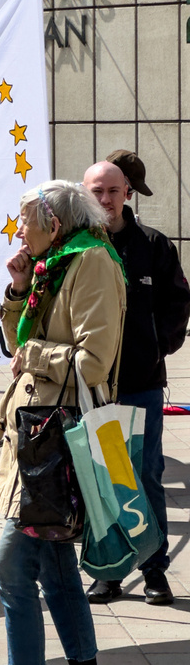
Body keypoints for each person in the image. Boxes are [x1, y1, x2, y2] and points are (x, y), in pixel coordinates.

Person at [0, 180, 125, 665]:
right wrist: (18, 288)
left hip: (55, 449)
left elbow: (92, 362)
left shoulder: (90, 263)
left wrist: (32, 354)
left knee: (14, 568)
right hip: (38, 440)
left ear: (54, 223)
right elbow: (25, 335)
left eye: (24, 221)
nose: (18, 231)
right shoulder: (53, 265)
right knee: (59, 574)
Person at [81, 153, 190, 605]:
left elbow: (178, 303)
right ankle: (108, 570)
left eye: (112, 190)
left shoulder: (155, 245)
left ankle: (155, 570)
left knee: (145, 475)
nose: (105, 199)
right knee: (102, 478)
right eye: (96, 192)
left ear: (128, 192)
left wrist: (155, 346)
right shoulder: (78, 246)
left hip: (142, 385)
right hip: (93, 387)